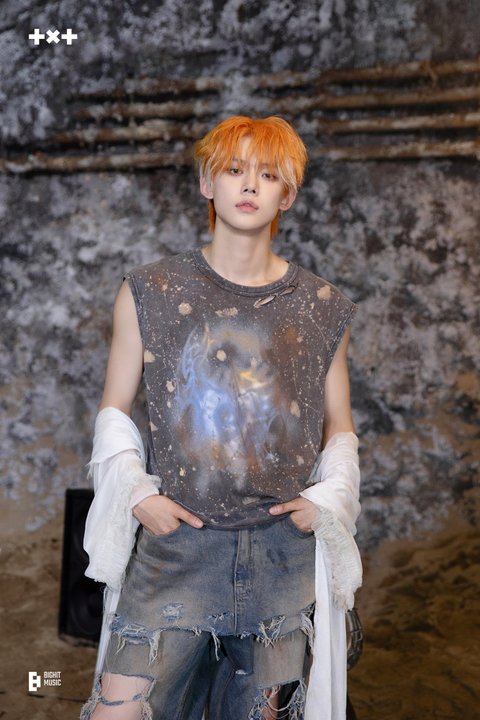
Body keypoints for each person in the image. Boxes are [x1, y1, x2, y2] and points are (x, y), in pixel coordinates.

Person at [80, 115, 362, 720]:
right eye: (234, 170)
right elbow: (114, 409)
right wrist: (136, 493)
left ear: (288, 194)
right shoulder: (149, 290)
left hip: (281, 555)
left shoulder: (322, 307)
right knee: (119, 710)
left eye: (268, 174)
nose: (249, 185)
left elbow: (339, 426)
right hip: (178, 546)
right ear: (208, 183)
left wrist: (327, 502)